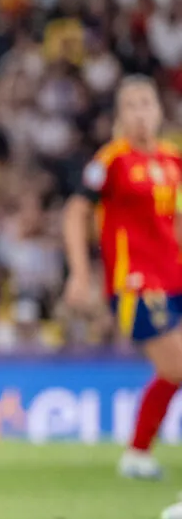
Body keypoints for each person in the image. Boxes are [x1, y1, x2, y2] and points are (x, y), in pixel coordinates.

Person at [64, 76, 182, 483]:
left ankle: (137, 453)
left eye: (147, 103)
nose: (140, 112)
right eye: (131, 105)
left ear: (160, 111)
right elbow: (76, 212)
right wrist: (81, 273)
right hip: (135, 283)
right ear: (120, 115)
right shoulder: (111, 160)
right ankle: (136, 453)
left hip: (175, 278)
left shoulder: (173, 160)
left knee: (172, 372)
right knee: (178, 363)